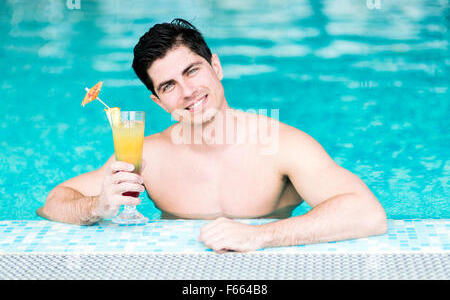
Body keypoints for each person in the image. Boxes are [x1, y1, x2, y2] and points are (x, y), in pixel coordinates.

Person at [37, 19, 387, 253]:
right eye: (169, 85)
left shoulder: (280, 143)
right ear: (158, 102)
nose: (188, 91)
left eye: (192, 71)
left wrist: (259, 236)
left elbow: (368, 213)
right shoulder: (149, 155)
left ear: (215, 67)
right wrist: (96, 207)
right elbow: (52, 203)